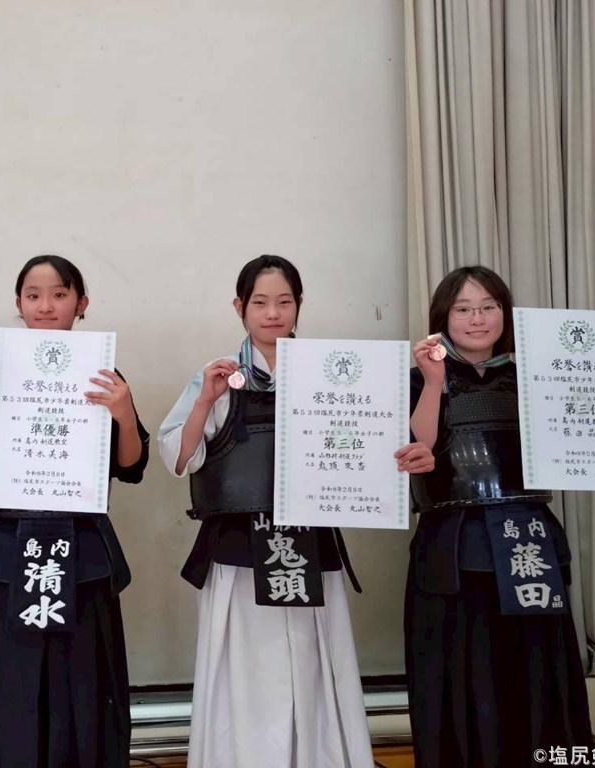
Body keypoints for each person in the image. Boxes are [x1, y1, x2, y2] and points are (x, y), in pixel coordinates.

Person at [157, 255, 435, 768]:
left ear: (299, 305)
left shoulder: (332, 374)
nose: (273, 313)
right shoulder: (220, 376)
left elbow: (369, 446)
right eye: (260, 302)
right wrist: (204, 402)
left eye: (284, 302)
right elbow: (178, 458)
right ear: (239, 307)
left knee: (311, 659)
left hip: (309, 540)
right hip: (240, 546)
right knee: (244, 667)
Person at [404, 265, 595, 768]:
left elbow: (592, 436)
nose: (477, 318)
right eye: (463, 309)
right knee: (464, 663)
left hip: (529, 537)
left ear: (506, 313)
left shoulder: (540, 374)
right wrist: (433, 383)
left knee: (536, 663)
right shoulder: (417, 377)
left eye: (488, 307)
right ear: (443, 318)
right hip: (455, 544)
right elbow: (417, 446)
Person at [0, 254, 149, 768]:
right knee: (8, 690)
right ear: (19, 303)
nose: (46, 306)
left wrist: (123, 414)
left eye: (59, 294)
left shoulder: (104, 373)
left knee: (83, 688)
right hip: (7, 552)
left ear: (81, 303)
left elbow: (131, 467)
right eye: (33, 295)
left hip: (82, 551)